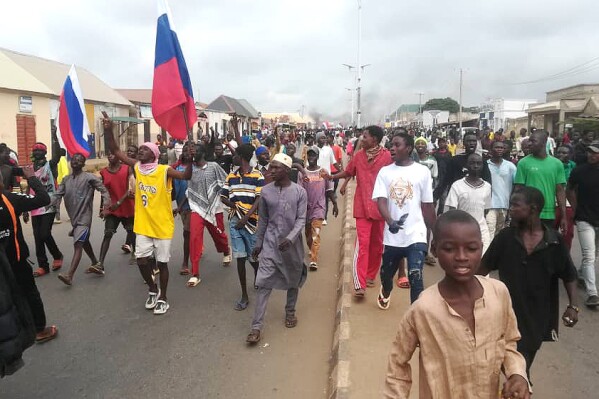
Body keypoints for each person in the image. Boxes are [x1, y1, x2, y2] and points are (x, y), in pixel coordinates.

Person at [384, 210, 530, 399]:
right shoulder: (423, 309)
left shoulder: (498, 293)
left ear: (481, 248)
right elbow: (397, 365)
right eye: (449, 248)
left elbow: (509, 342)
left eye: (471, 248)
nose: (461, 256)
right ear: (434, 249)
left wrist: (517, 374)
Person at [480, 187, 579, 381]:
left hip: (537, 319)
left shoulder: (554, 242)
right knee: (510, 369)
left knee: (520, 368)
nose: (510, 209)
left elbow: (569, 275)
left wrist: (573, 306)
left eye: (515, 205)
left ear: (532, 209)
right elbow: (481, 270)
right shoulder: (505, 238)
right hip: (504, 316)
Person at [104, 116, 193, 315]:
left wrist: (191, 159)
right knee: (142, 260)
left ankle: (163, 297)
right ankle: (152, 289)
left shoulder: (164, 170)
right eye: (140, 149)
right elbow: (116, 151)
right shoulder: (136, 168)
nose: (140, 150)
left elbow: (186, 176)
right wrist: (109, 130)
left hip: (162, 225)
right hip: (143, 225)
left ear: (153, 154)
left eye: (145, 149)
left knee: (162, 263)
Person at [246, 154, 307, 344]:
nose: (270, 171)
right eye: (270, 167)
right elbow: (263, 219)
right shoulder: (265, 191)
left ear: (287, 170)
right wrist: (258, 243)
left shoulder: (299, 192)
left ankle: (290, 312)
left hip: (292, 246)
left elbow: (301, 219)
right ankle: (256, 328)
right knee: (263, 284)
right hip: (271, 245)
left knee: (293, 279)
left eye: (275, 168)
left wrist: (290, 239)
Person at [373, 132, 436, 307]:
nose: (392, 148)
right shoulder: (385, 173)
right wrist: (390, 221)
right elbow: (381, 201)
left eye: (397, 145)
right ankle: (386, 290)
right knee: (386, 276)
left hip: (416, 234)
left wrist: (437, 235)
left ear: (408, 148)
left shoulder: (422, 172)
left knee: (416, 276)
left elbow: (427, 206)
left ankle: (416, 316)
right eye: (391, 145)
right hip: (393, 236)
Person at [328, 126, 392, 297]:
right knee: (362, 244)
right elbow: (349, 172)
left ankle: (371, 275)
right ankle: (360, 284)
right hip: (362, 206)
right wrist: (332, 177)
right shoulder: (358, 156)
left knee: (377, 244)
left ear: (375, 140)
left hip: (381, 208)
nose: (361, 139)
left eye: (365, 137)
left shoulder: (387, 157)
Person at [0, 165, 58, 345]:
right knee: (29, 293)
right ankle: (40, 330)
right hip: (15, 262)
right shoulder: (8, 199)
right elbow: (43, 198)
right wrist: (31, 177)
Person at [51, 153, 111, 285]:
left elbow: (104, 190)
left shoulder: (89, 177)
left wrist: (106, 205)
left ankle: (69, 275)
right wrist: (49, 206)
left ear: (83, 164)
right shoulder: (66, 179)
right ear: (70, 161)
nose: (76, 162)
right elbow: (57, 195)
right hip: (74, 217)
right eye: (74, 159)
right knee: (84, 241)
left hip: (84, 218)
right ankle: (96, 263)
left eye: (79, 160)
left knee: (78, 244)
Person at [221, 143, 264, 311]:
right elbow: (223, 196)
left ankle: (258, 275)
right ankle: (244, 295)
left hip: (251, 222)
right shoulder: (231, 176)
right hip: (235, 221)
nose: (233, 157)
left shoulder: (257, 175)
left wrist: (245, 217)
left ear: (242, 157)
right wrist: (234, 205)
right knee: (240, 257)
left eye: (236, 154)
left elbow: (259, 199)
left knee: (253, 256)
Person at [185, 143, 231, 287]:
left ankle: (225, 250)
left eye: (196, 150)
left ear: (203, 153)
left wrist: (228, 200)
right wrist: (180, 206)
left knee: (219, 235)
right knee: (194, 238)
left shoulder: (213, 166)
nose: (193, 152)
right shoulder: (190, 170)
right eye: (191, 150)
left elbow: (225, 181)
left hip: (214, 207)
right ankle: (195, 273)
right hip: (197, 208)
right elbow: (189, 188)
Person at [25, 132, 64, 277]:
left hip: (49, 203)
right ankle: (43, 266)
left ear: (45, 152)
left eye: (40, 150)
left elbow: (58, 154)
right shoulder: (29, 168)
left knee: (44, 233)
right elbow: (28, 187)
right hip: (34, 205)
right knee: (37, 236)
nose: (37, 152)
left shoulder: (51, 165)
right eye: (35, 150)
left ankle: (57, 255)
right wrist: (24, 208)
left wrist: (55, 136)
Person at [567, 140, 599, 308]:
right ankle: (592, 293)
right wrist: (575, 207)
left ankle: (581, 273)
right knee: (588, 255)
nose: (591, 155)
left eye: (595, 152)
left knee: (594, 254)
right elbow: (569, 189)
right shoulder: (579, 171)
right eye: (589, 152)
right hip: (584, 218)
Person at [514, 130, 567, 231]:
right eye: (529, 141)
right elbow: (518, 189)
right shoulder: (523, 163)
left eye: (533, 141)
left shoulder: (557, 164)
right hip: (528, 213)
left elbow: (560, 191)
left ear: (543, 142)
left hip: (548, 214)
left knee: (547, 245)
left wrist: (563, 216)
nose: (529, 144)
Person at [93, 150, 136, 275]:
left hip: (127, 206)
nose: (110, 156)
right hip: (112, 209)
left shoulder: (127, 169)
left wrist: (119, 202)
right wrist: (102, 208)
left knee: (131, 232)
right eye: (109, 154)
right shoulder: (104, 172)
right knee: (107, 234)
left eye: (113, 154)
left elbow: (131, 189)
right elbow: (104, 192)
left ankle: (138, 255)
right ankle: (100, 263)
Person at [445, 153, 492, 254]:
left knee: (482, 257)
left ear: (482, 166)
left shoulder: (487, 187)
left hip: (481, 230)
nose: (475, 166)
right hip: (462, 230)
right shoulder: (457, 185)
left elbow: (486, 210)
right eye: (472, 163)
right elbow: (452, 211)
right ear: (467, 165)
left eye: (479, 163)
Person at [301, 146, 338, 271]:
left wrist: (335, 204)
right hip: (306, 209)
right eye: (309, 155)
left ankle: (313, 260)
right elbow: (299, 192)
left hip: (319, 208)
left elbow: (329, 190)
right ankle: (312, 250)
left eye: (314, 155)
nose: (311, 158)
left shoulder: (323, 172)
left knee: (315, 234)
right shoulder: (303, 173)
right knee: (307, 235)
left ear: (317, 157)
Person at [433, 132, 491, 205]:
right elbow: (445, 181)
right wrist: (434, 197)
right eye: (469, 141)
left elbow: (488, 182)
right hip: (457, 200)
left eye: (474, 141)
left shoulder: (482, 161)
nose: (471, 143)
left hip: (476, 200)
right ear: (464, 143)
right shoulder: (455, 160)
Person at [486, 141, 517, 238]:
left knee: (499, 233)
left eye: (501, 147)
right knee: (489, 232)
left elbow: (516, 186)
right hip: (489, 205)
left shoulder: (510, 166)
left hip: (504, 205)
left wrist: (512, 204)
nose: (499, 149)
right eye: (497, 147)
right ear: (491, 150)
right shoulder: (485, 165)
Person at [172, 144, 193, 276]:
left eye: (189, 151)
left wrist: (178, 206)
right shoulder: (175, 168)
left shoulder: (195, 168)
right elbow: (174, 189)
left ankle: (185, 262)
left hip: (193, 205)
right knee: (189, 233)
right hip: (182, 206)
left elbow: (190, 190)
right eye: (184, 150)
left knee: (187, 233)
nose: (186, 153)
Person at [555, 145, 576, 250]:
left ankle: (565, 259)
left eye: (564, 153)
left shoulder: (574, 168)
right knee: (550, 233)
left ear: (571, 155)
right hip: (552, 204)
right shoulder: (552, 165)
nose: (560, 155)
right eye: (559, 152)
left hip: (568, 205)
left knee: (567, 235)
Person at [54, 149, 69, 224]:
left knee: (57, 201)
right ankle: (71, 216)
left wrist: (63, 183)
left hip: (61, 183)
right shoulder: (63, 159)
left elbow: (65, 172)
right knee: (67, 201)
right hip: (62, 183)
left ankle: (57, 218)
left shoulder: (61, 159)